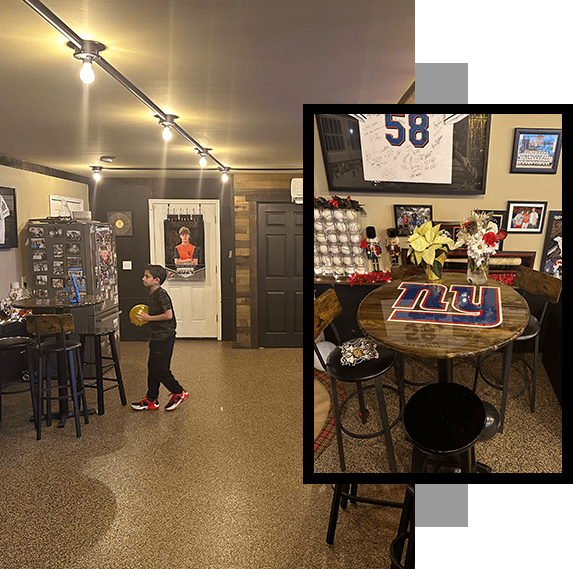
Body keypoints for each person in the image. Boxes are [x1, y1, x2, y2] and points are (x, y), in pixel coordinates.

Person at [131, 264, 189, 411]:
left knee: (161, 369)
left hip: (165, 336)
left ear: (156, 280)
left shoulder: (161, 294)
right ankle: (151, 399)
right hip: (157, 335)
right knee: (152, 368)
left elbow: (168, 315)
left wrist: (148, 318)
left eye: (147, 276)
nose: (143, 279)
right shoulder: (152, 293)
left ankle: (179, 391)